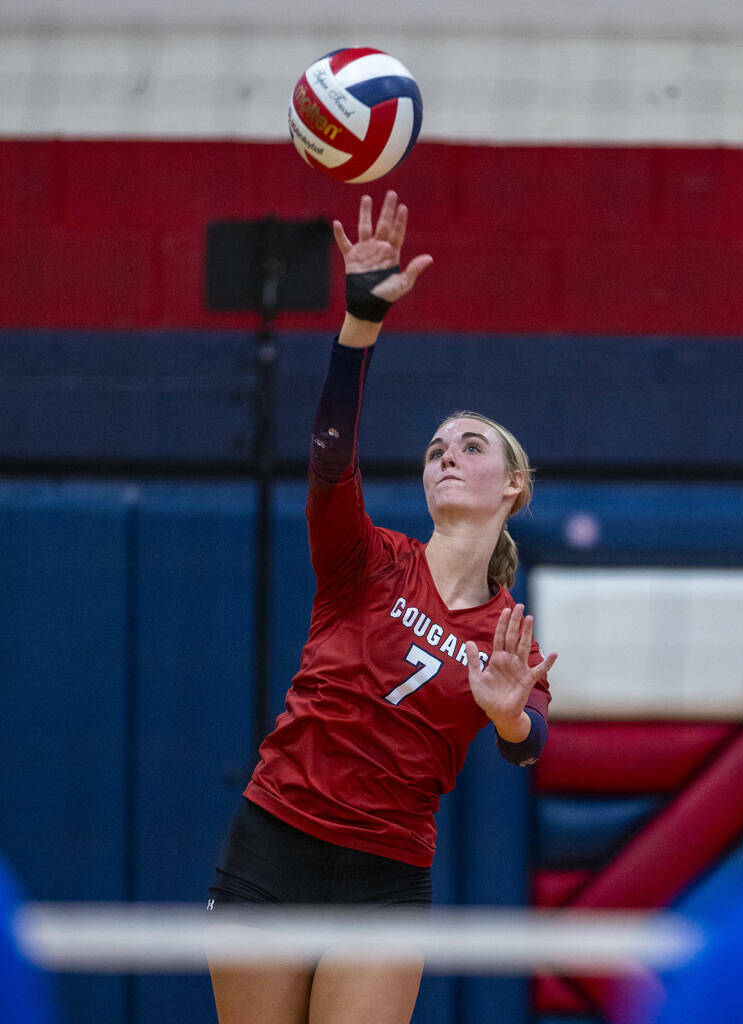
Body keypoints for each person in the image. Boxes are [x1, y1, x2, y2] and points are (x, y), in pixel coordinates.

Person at [207, 190, 556, 1024]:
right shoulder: (365, 559)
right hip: (274, 844)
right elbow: (331, 459)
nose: (446, 455)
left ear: (511, 486)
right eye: (436, 447)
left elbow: (532, 738)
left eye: (470, 446)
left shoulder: (504, 638)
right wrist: (358, 323)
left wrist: (509, 719)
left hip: (385, 877)